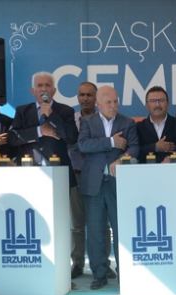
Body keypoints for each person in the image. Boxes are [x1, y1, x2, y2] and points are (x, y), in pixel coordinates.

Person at [78, 86, 139, 290]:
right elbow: (84, 145)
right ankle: (99, 275)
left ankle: (125, 273)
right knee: (95, 232)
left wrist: (122, 159)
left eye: (116, 101)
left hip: (118, 184)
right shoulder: (87, 121)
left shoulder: (127, 123)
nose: (113, 105)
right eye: (108, 102)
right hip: (93, 184)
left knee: (122, 231)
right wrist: (112, 141)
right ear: (98, 103)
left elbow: (134, 147)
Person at [70, 82, 115, 280]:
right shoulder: (71, 120)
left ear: (96, 100)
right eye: (82, 95)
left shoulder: (106, 120)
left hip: (100, 176)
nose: (85, 98)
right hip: (77, 174)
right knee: (78, 224)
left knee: (101, 224)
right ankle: (78, 263)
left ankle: (104, 264)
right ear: (78, 97)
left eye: (89, 95)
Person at [7, 72, 79, 177]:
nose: (44, 89)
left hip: (58, 172)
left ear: (54, 91)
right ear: (33, 91)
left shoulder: (65, 111)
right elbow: (12, 138)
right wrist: (39, 131)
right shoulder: (22, 111)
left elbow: (72, 138)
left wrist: (52, 116)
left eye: (47, 85)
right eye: (39, 85)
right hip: (29, 172)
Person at [136, 85, 176, 163]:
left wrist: (173, 158)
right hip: (146, 173)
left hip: (174, 172)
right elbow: (135, 151)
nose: (157, 104)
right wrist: (155, 147)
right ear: (146, 105)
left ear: (168, 104)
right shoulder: (139, 127)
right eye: (153, 101)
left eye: (161, 100)